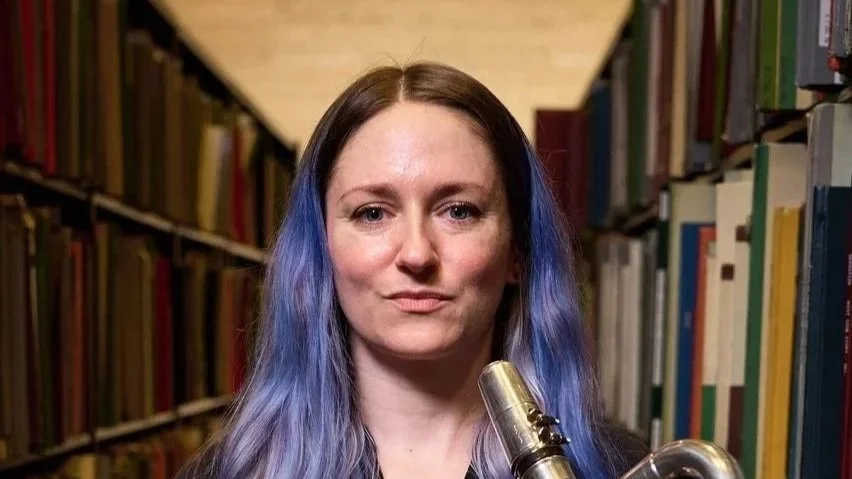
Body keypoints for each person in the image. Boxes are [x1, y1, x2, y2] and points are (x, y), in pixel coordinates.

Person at [176, 62, 648, 478]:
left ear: (517, 252)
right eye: (373, 214)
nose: (418, 254)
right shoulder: (229, 472)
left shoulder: (616, 465)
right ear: (322, 250)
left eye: (459, 211)